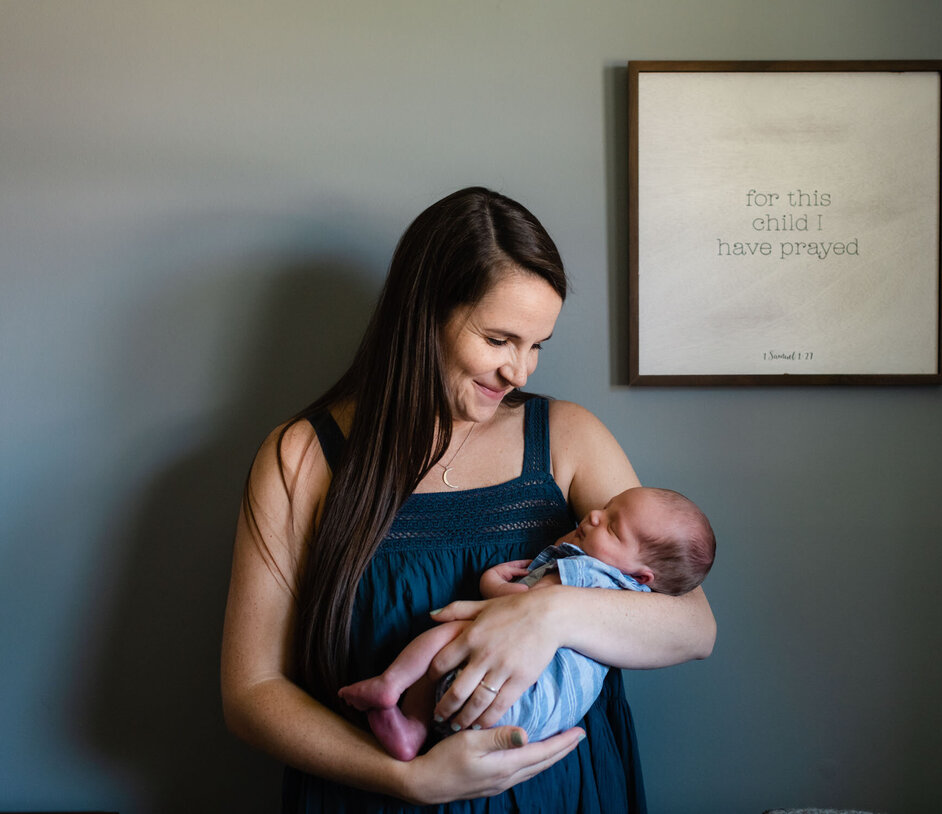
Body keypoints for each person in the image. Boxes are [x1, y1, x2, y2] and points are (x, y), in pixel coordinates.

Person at [220, 186, 716, 813]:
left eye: (537, 345)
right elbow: (252, 691)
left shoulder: (566, 437)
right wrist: (407, 780)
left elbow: (695, 627)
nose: (521, 372)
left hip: (562, 798)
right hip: (375, 799)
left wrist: (549, 615)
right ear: (423, 314)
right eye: (499, 339)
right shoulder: (301, 458)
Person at [338, 486, 716, 761]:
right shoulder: (634, 603)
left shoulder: (588, 571)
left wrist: (492, 585)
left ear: (642, 575)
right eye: (606, 506)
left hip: (510, 693)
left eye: (613, 527)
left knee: (453, 629)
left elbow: (525, 608)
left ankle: (395, 690)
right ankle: (413, 731)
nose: (595, 515)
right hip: (541, 724)